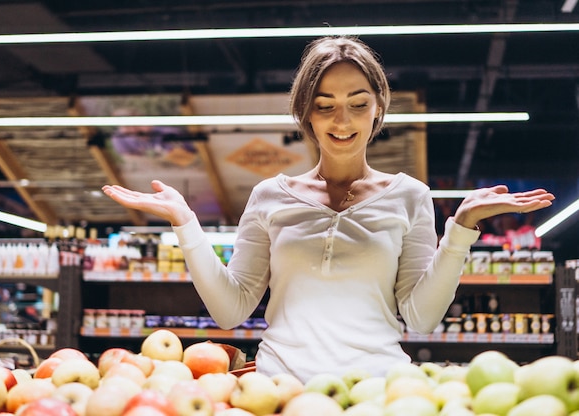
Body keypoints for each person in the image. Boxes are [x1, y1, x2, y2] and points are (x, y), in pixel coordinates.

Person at [102, 36, 555, 383]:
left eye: (358, 104)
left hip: (378, 390)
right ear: (307, 114)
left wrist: (461, 229)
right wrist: (186, 224)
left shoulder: (410, 196)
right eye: (325, 106)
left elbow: (421, 316)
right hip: (280, 388)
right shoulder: (268, 196)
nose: (342, 121)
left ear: (378, 110)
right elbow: (230, 309)